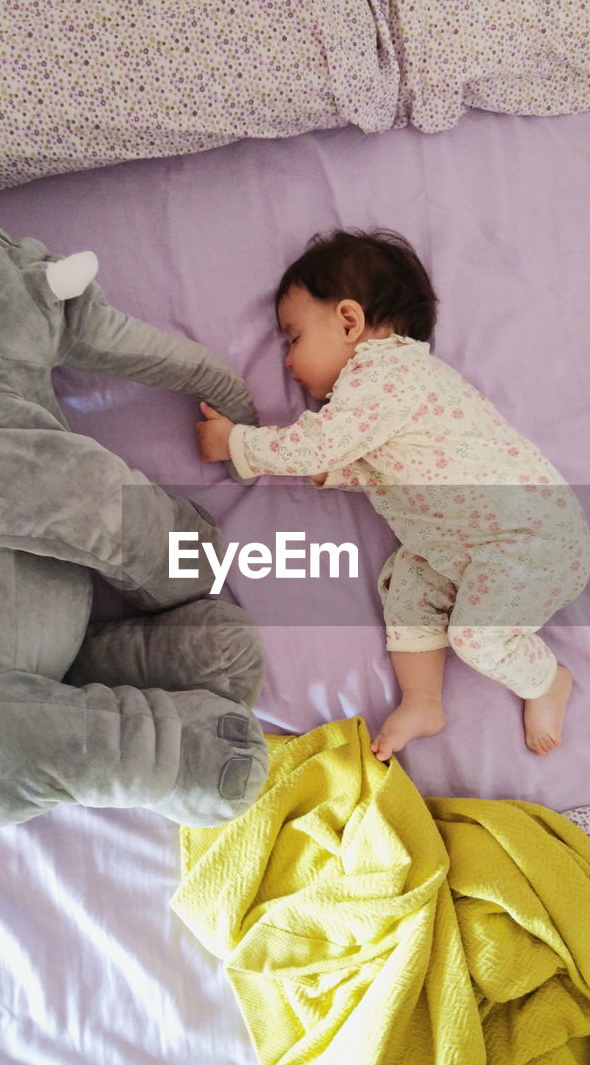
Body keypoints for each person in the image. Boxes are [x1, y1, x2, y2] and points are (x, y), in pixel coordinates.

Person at [195, 229, 590, 759]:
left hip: (528, 538)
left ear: (349, 321)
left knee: (477, 637)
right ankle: (423, 699)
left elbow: (319, 443)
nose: (287, 361)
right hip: (468, 546)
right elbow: (403, 463)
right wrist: (338, 475)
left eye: (294, 338)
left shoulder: (385, 371)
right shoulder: (390, 391)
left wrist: (237, 442)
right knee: (408, 582)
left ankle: (545, 681)